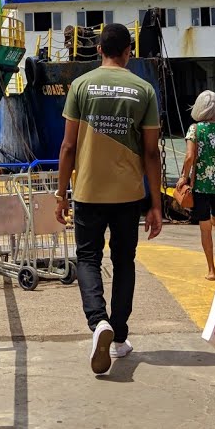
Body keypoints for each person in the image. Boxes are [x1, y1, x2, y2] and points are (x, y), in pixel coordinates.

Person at [54, 22, 163, 375]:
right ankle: (119, 338)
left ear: (99, 49)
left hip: (87, 190)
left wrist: (60, 194)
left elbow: (68, 145)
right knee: (124, 262)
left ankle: (98, 321)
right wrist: (157, 203)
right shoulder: (144, 89)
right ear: (128, 51)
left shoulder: (80, 86)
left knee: (87, 257)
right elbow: (151, 153)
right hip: (128, 194)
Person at [175, 90, 215, 280]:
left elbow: (190, 157)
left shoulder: (195, 129)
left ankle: (211, 269)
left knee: (205, 226)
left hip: (201, 185)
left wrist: (184, 177)